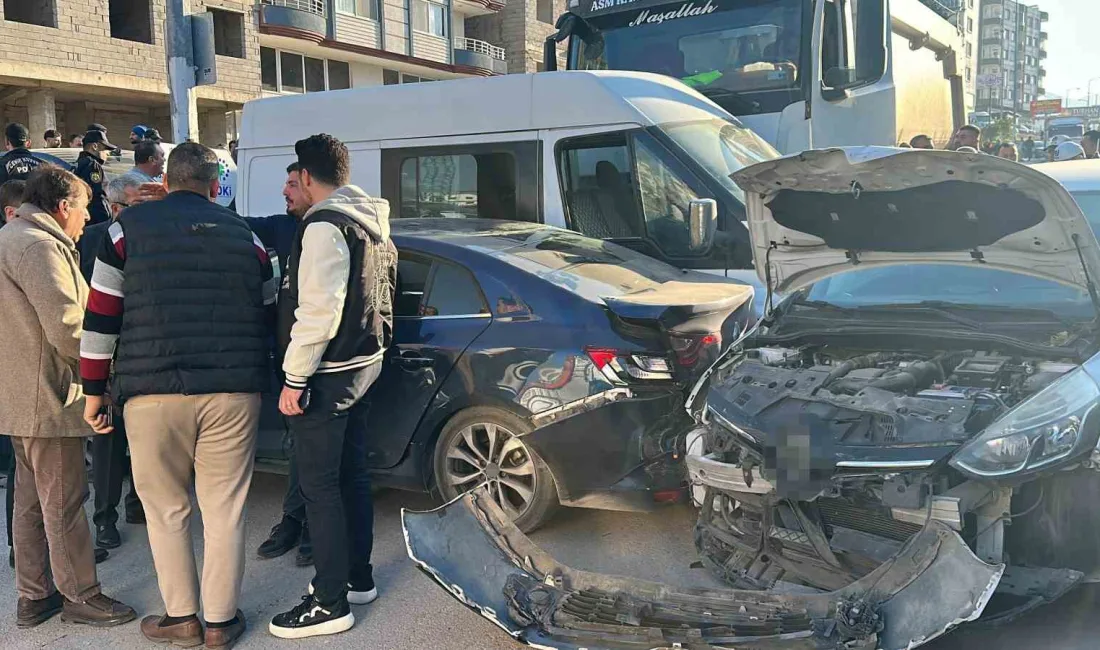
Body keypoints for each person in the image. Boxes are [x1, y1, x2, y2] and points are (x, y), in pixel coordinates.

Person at [80, 142, 277, 648]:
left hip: (151, 392)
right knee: (225, 509)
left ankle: (182, 617)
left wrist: (94, 391)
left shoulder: (124, 231)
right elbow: (268, 308)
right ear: (215, 186)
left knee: (166, 509)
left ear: (165, 182)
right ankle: (220, 622)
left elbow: (100, 317)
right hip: (233, 390)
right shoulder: (248, 236)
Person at [269, 134, 397, 639]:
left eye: (291, 178)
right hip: (363, 367)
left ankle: (328, 602)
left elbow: (318, 312)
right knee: (351, 478)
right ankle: (357, 578)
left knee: (318, 487)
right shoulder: (371, 222)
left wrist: (293, 379)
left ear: (305, 177)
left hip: (327, 374)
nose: (288, 187)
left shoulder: (325, 226)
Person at [0, 166, 137, 629]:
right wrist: (103, 372)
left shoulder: (13, 235)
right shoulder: (38, 245)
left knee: (31, 502)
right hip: (49, 395)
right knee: (64, 502)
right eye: (83, 207)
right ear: (62, 207)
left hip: (21, 395)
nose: (87, 217)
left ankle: (34, 595)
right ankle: (80, 595)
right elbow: (66, 327)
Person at [78, 176, 149, 553]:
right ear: (116, 207)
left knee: (138, 435)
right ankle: (105, 519)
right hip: (111, 349)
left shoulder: (151, 235)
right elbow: (89, 298)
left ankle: (136, 503)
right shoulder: (96, 237)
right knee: (107, 436)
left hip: (134, 353)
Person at [250, 162, 314, 567]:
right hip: (289, 362)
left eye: (292, 184)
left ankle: (310, 527)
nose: (285, 191)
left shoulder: (334, 228)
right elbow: (233, 223)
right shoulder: (282, 226)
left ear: (310, 184)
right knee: (297, 444)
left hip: (321, 362)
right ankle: (294, 520)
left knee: (314, 449)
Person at [73, 129, 118, 226]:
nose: (107, 154)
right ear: (94, 146)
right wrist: (108, 219)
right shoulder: (92, 166)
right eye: (105, 149)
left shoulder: (79, 164)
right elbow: (98, 197)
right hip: (96, 222)